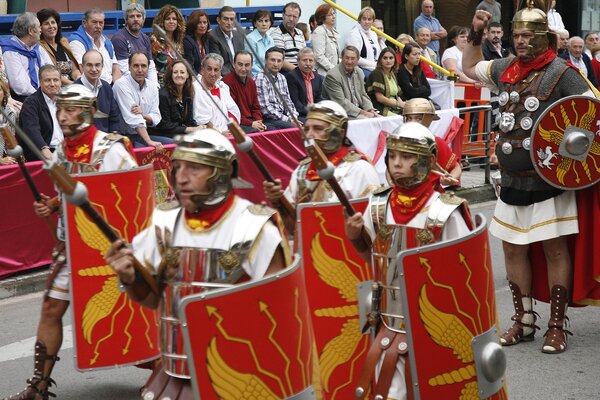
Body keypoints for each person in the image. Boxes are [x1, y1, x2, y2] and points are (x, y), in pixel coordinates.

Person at [104, 130, 289, 397]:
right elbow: (154, 299)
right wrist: (130, 277)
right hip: (173, 370)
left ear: (222, 172)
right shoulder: (165, 223)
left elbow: (278, 317)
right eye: (177, 167)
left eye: (194, 168)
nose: (180, 178)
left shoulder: (255, 227)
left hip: (236, 376)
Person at [462, 5, 597, 354]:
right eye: (517, 35)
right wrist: (476, 32)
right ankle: (523, 322)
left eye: (527, 36)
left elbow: (591, 118)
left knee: (554, 249)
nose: (521, 41)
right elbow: (467, 67)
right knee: (512, 248)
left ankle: (556, 326)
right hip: (510, 181)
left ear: (542, 38)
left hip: (548, 181)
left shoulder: (562, 73)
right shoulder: (506, 67)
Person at [5, 84, 137, 400]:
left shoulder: (113, 149)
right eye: (60, 109)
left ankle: (162, 367)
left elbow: (130, 198)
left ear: (89, 112)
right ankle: (38, 386)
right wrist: (52, 204)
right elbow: (68, 193)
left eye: (71, 110)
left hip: (107, 250)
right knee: (51, 308)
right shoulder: (63, 150)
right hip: (70, 246)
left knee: (130, 312)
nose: (63, 116)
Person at [344, 122, 472, 400]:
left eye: (407, 156)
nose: (397, 163)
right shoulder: (378, 205)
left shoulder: (445, 211)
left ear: (426, 161)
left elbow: (462, 281)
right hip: (387, 324)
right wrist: (356, 238)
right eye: (392, 156)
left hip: (433, 329)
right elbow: (374, 261)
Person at [263, 100, 380, 232]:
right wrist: (278, 202)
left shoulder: (359, 169)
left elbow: (375, 226)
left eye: (318, 128)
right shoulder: (302, 170)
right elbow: (292, 229)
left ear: (340, 132)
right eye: (306, 129)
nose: (309, 135)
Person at [113, 52, 169, 149]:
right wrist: (149, 141)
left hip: (142, 135)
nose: (140, 70)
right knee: (146, 150)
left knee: (173, 145)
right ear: (129, 67)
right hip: (122, 137)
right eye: (136, 66)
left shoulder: (152, 87)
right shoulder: (121, 84)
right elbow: (134, 118)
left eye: (143, 66)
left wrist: (144, 115)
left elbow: (156, 117)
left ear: (148, 68)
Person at [402, 97, 462, 188]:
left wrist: (450, 178)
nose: (412, 122)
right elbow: (390, 170)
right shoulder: (399, 142)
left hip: (430, 195)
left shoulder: (435, 142)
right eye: (409, 118)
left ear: (427, 119)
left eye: (418, 118)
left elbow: (457, 167)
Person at [0, 12, 52, 102]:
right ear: (31, 31)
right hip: (25, 98)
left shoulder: (38, 48)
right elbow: (19, 86)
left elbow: (51, 70)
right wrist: (43, 96)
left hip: (45, 93)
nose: (41, 30)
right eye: (39, 27)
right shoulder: (10, 52)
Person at [18, 64, 62, 161]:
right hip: (42, 154)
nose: (52, 84)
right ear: (40, 82)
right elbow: (32, 130)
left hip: (64, 151)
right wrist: (44, 149)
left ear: (60, 81)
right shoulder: (31, 103)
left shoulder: (66, 100)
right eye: (47, 80)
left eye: (55, 80)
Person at [322, 45, 378, 119]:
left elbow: (363, 94)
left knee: (379, 119)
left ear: (357, 60)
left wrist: (370, 109)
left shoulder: (359, 72)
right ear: (341, 58)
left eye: (352, 59)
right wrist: (364, 113)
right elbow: (342, 103)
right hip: (339, 114)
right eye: (347, 58)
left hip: (357, 110)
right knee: (368, 120)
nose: (349, 61)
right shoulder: (333, 75)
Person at [74, 49, 121, 133]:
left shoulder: (106, 87)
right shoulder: (74, 91)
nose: (94, 69)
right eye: (89, 65)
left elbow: (114, 119)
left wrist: (112, 138)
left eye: (97, 65)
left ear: (102, 66)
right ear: (82, 66)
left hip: (105, 141)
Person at [69, 8, 121, 85]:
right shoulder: (77, 42)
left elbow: (115, 68)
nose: (98, 26)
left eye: (101, 23)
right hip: (92, 86)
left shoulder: (106, 41)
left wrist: (117, 86)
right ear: (84, 22)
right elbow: (81, 70)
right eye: (94, 22)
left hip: (110, 85)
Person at [192, 53, 240, 134]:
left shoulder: (223, 87)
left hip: (228, 131)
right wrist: (220, 133)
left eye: (216, 70)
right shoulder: (196, 89)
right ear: (202, 70)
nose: (212, 73)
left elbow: (233, 110)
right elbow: (202, 121)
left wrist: (231, 130)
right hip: (207, 135)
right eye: (209, 69)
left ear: (220, 72)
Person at [111, 3, 159, 83]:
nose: (135, 19)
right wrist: (143, 85)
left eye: (138, 16)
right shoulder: (119, 38)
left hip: (144, 81)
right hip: (126, 84)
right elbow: (124, 70)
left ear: (143, 19)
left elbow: (150, 66)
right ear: (126, 20)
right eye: (132, 16)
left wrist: (154, 86)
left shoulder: (145, 38)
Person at [149, 60, 198, 138]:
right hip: (163, 134)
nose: (179, 75)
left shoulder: (189, 92)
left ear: (187, 75)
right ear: (171, 75)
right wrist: (189, 129)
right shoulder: (163, 94)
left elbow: (189, 121)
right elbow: (165, 126)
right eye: (175, 72)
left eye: (182, 72)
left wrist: (199, 128)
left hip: (179, 133)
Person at [222, 50, 267, 133]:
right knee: (254, 132)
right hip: (237, 122)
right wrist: (251, 124)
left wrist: (258, 121)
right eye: (240, 64)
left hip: (252, 121)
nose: (243, 69)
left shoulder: (251, 82)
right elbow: (231, 112)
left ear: (251, 66)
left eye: (247, 65)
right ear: (233, 64)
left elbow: (256, 107)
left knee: (270, 130)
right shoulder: (226, 82)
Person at [256, 47, 299, 129]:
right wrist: (289, 120)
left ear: (283, 63)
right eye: (272, 60)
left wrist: (293, 117)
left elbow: (288, 102)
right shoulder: (260, 78)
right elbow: (266, 109)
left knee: (308, 124)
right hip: (269, 119)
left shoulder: (282, 77)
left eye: (279, 61)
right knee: (294, 128)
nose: (276, 64)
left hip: (283, 117)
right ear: (265, 61)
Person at [37, 9, 80, 86]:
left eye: (53, 22)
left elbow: (74, 70)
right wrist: (73, 85)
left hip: (72, 85)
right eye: (46, 24)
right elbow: (51, 74)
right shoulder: (40, 47)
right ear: (40, 28)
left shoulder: (63, 42)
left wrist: (79, 80)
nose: (51, 26)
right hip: (55, 86)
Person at [150, 5, 185, 84]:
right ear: (161, 21)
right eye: (168, 19)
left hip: (178, 82)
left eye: (174, 19)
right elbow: (151, 67)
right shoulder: (155, 41)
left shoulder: (179, 41)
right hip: (160, 83)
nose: (171, 21)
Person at [344, 7, 382, 78]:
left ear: (373, 21)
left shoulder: (373, 34)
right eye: (364, 19)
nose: (367, 22)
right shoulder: (354, 34)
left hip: (375, 68)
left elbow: (379, 54)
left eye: (369, 19)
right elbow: (355, 58)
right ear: (359, 20)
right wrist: (375, 64)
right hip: (360, 69)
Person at [285, 47, 323, 117]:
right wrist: (311, 113)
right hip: (300, 114)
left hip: (315, 114)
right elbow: (295, 102)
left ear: (314, 62)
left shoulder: (319, 78)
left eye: (311, 60)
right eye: (304, 60)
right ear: (298, 62)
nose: (308, 63)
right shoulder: (292, 76)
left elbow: (319, 99)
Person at [208, 6, 245, 77]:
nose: (229, 23)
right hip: (224, 76)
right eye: (226, 19)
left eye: (232, 19)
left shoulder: (239, 35)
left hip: (240, 74)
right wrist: (234, 78)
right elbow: (218, 63)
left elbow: (243, 58)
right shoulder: (212, 36)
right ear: (218, 20)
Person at [366, 47, 404, 116]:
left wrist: (404, 105)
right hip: (380, 108)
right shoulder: (377, 73)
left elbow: (397, 96)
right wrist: (398, 104)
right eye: (385, 58)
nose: (388, 61)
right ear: (380, 60)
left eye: (391, 58)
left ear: (395, 60)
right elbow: (380, 98)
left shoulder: (393, 73)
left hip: (394, 107)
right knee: (401, 119)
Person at [270, 2, 306, 73]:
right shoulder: (276, 34)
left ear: (298, 18)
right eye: (289, 16)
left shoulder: (300, 33)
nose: (291, 19)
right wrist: (299, 72)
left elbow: (304, 55)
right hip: (286, 73)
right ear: (283, 15)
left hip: (301, 71)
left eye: (294, 16)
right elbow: (280, 60)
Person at [311, 4, 340, 76]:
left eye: (334, 13)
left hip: (334, 72)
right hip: (323, 73)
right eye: (330, 15)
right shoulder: (319, 32)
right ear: (322, 17)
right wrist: (333, 69)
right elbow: (319, 56)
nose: (333, 16)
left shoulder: (334, 32)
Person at [245, 9, 275, 77]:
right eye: (260, 21)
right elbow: (251, 64)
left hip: (270, 74)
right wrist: (266, 75)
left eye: (266, 21)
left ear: (270, 23)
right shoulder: (250, 39)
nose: (264, 24)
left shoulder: (270, 39)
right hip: (256, 76)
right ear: (255, 23)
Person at [183, 10, 211, 75]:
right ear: (193, 24)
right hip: (195, 78)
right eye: (199, 23)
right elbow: (190, 67)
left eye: (205, 22)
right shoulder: (187, 41)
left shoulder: (206, 39)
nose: (203, 26)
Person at [0, 80, 18, 165]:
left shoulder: (10, 113)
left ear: (4, 93)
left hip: (6, 159)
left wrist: (12, 158)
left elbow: (11, 140)